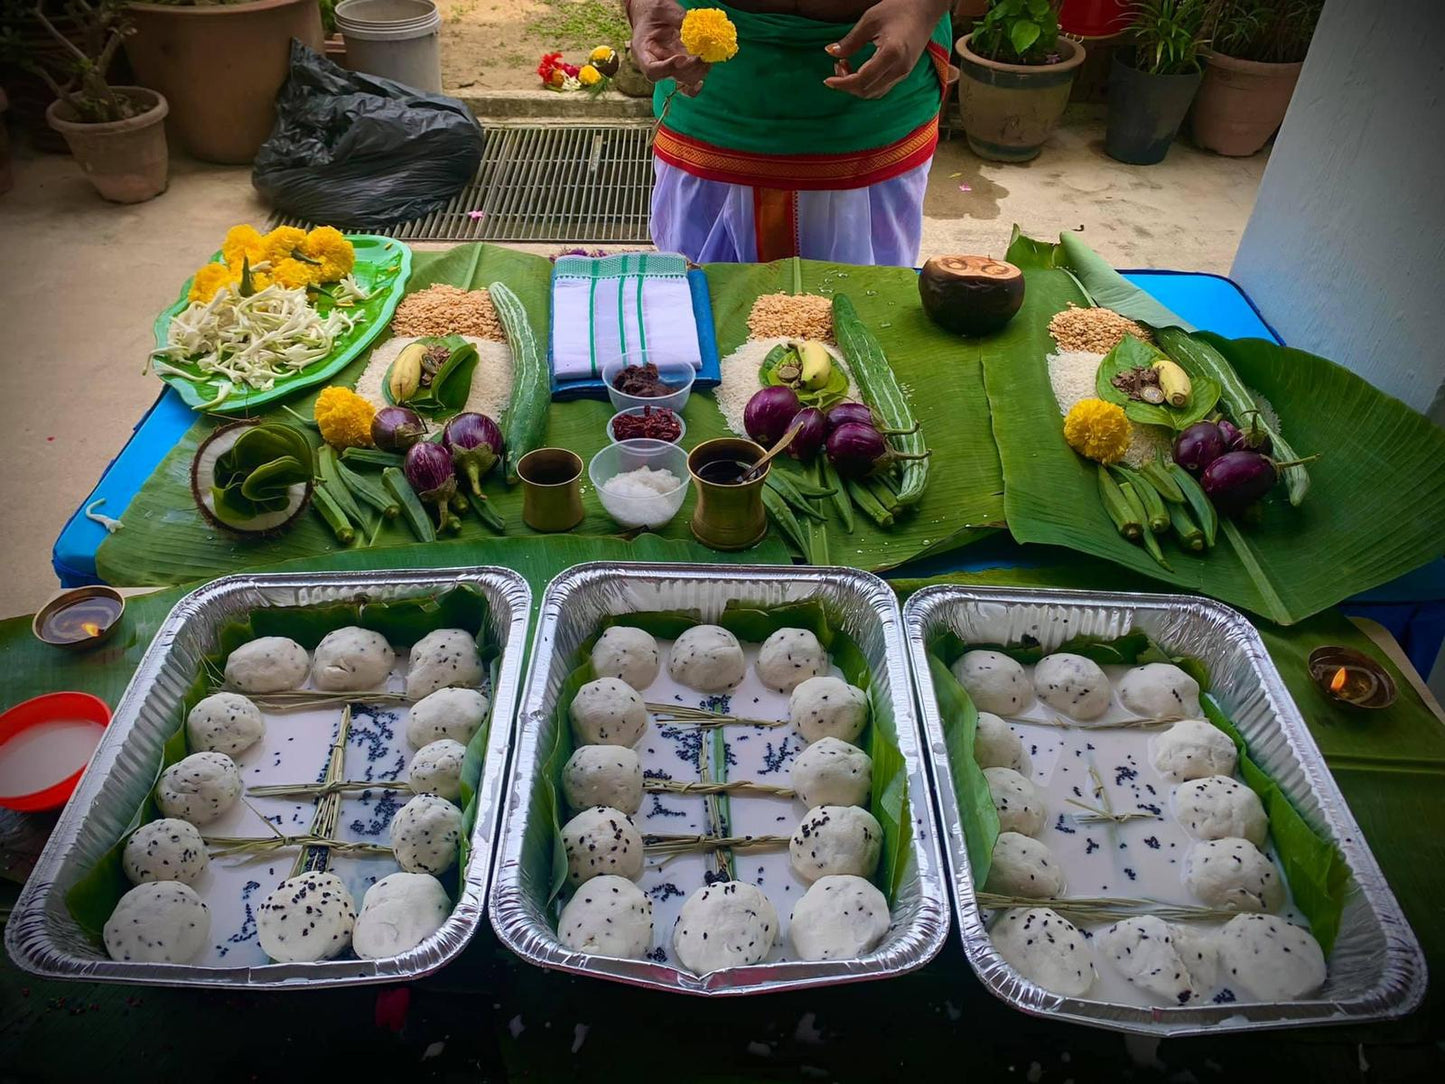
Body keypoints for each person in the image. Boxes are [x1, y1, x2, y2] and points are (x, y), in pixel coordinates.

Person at [628, 0, 954, 267]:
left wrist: (922, 8)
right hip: (709, 96)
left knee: (867, 316)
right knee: (700, 317)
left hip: (877, 107)